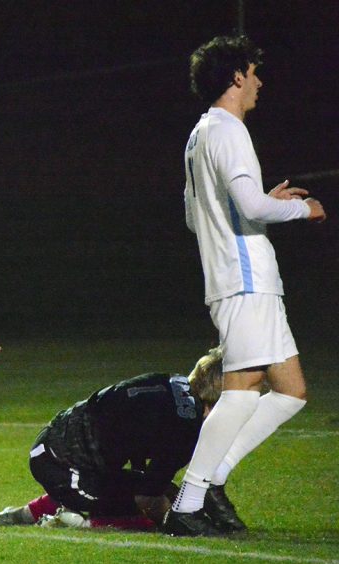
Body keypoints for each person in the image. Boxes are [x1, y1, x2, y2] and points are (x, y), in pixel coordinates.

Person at [164, 35, 328, 536]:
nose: (258, 82)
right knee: (240, 391)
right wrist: (303, 208)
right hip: (245, 279)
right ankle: (188, 504)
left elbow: (198, 217)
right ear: (236, 77)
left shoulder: (199, 135)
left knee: (290, 391)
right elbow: (253, 209)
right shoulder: (230, 129)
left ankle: (211, 481)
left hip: (241, 278)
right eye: (253, 72)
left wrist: (255, 200)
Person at [0, 348, 224, 532]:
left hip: (53, 446)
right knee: (148, 514)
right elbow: (148, 497)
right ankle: (80, 525)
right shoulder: (186, 426)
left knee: (162, 491)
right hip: (64, 465)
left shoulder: (171, 380)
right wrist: (174, 522)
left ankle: (23, 514)